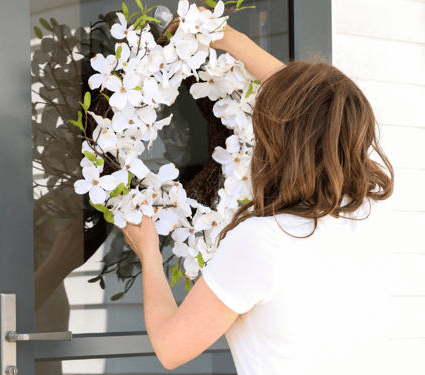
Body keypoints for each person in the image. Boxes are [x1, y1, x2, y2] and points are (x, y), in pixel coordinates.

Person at [120, 7, 395, 375]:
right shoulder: (367, 215)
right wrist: (230, 39)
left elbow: (171, 348)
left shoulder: (263, 241)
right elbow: (321, 111)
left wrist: (149, 252)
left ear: (279, 141)